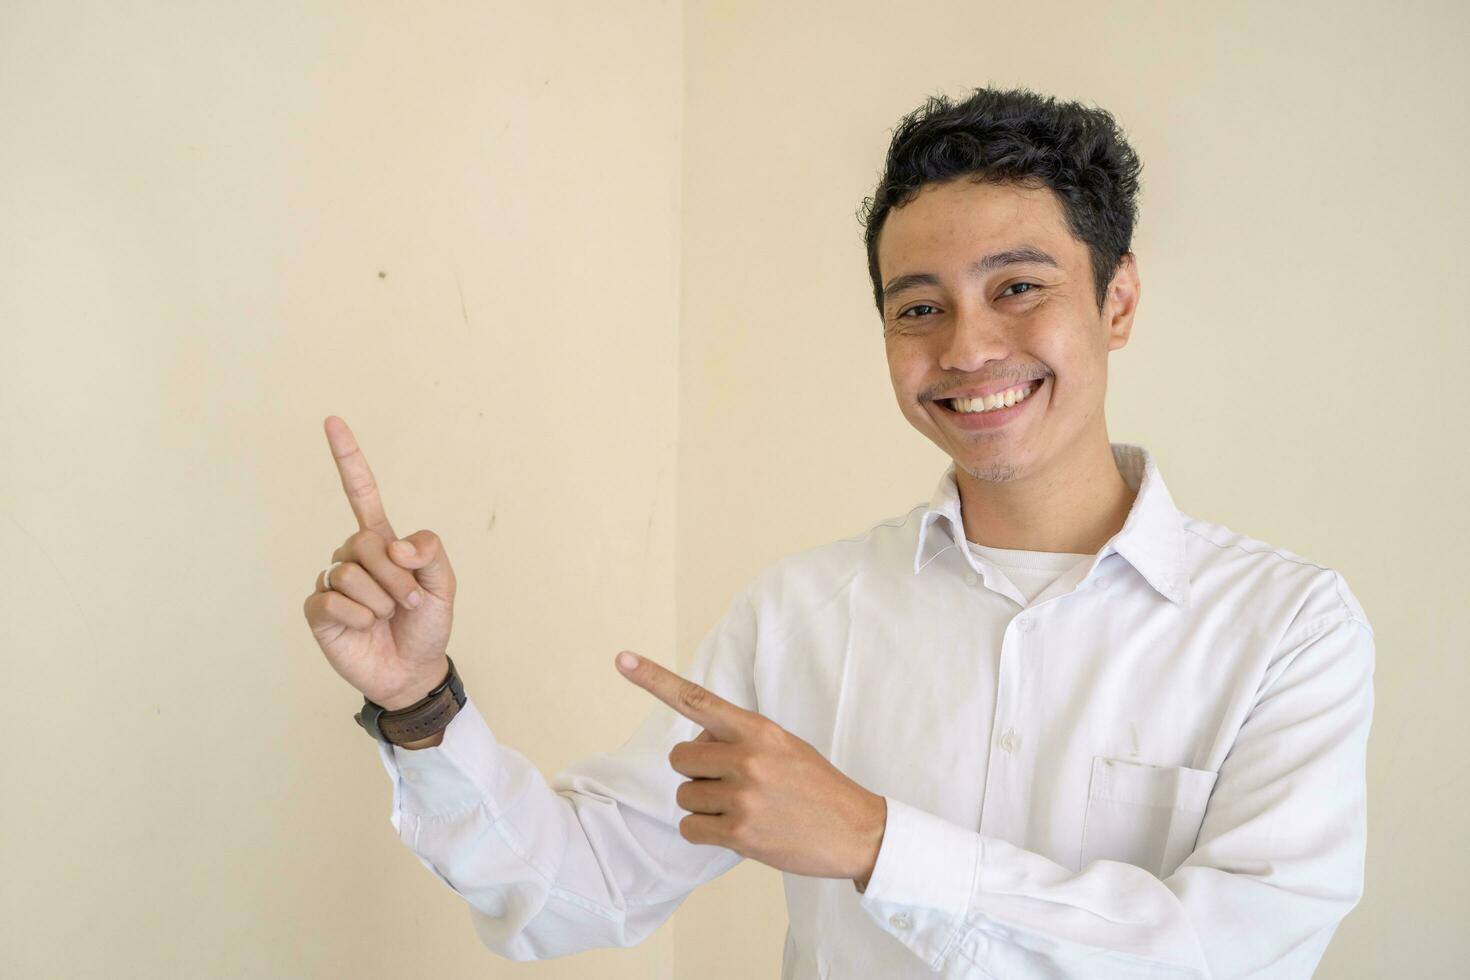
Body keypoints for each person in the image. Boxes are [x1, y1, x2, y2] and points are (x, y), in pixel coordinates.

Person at [301, 86, 1374, 979]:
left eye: (1018, 287)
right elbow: (572, 888)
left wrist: (872, 840)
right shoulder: (805, 615)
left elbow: (1232, 953)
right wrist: (419, 702)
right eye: (919, 307)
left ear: (1119, 300)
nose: (967, 347)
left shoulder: (1286, 626)